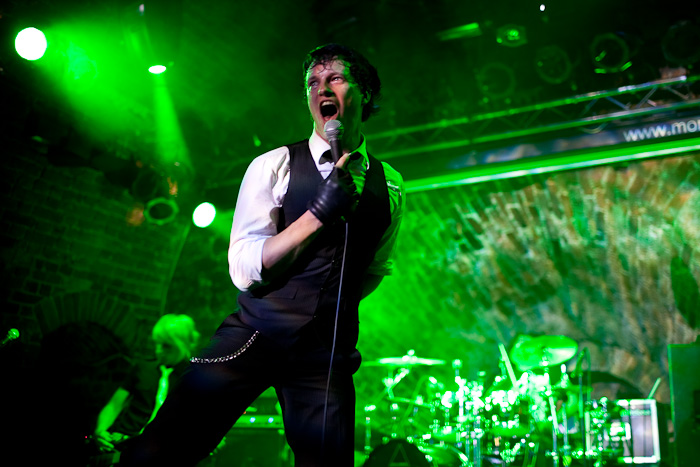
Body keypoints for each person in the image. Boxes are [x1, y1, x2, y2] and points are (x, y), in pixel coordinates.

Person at [120, 43, 404, 466]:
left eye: (335, 78)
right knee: (161, 451)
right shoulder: (274, 164)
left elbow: (375, 267)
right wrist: (319, 214)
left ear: (364, 92)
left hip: (326, 352)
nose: (321, 88)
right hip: (255, 333)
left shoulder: (391, 184)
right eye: (312, 82)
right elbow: (243, 270)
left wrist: (326, 307)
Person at [95, 314, 201, 453]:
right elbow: (115, 404)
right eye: (157, 344)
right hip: (124, 442)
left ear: (182, 345)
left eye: (166, 346)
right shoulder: (142, 368)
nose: (158, 350)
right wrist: (101, 430)